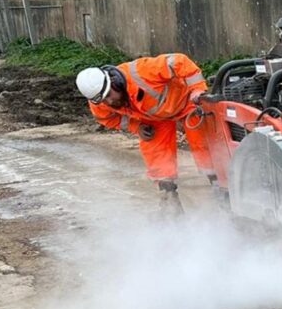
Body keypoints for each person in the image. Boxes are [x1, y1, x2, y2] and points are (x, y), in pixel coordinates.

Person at [75, 55, 216, 210]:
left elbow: (179, 61)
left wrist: (197, 89)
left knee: (203, 141)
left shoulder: (142, 72)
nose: (109, 102)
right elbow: (106, 118)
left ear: (115, 82)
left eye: (109, 95)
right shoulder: (99, 99)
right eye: (103, 100)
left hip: (185, 103)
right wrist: (137, 127)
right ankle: (169, 199)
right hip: (153, 118)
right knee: (155, 150)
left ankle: (220, 186)